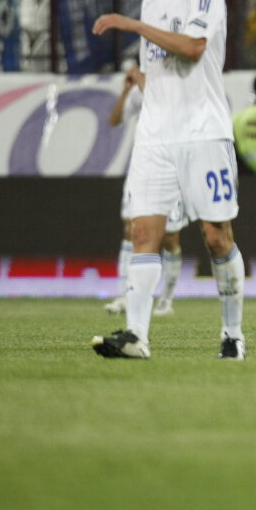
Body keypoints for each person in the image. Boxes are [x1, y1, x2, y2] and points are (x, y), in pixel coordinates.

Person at [89, 0, 246, 360]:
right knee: (144, 232)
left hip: (203, 132)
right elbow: (159, 71)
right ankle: (136, 335)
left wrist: (133, 27)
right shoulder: (151, 2)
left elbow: (194, 49)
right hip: (156, 136)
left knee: (216, 236)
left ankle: (232, 334)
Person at [105, 61, 186, 318]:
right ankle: (124, 294)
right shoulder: (140, 89)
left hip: (172, 166)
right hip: (141, 165)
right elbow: (115, 120)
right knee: (131, 229)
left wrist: (139, 77)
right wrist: (126, 90)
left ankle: (166, 299)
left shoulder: (175, 83)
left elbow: (162, 102)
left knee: (170, 237)